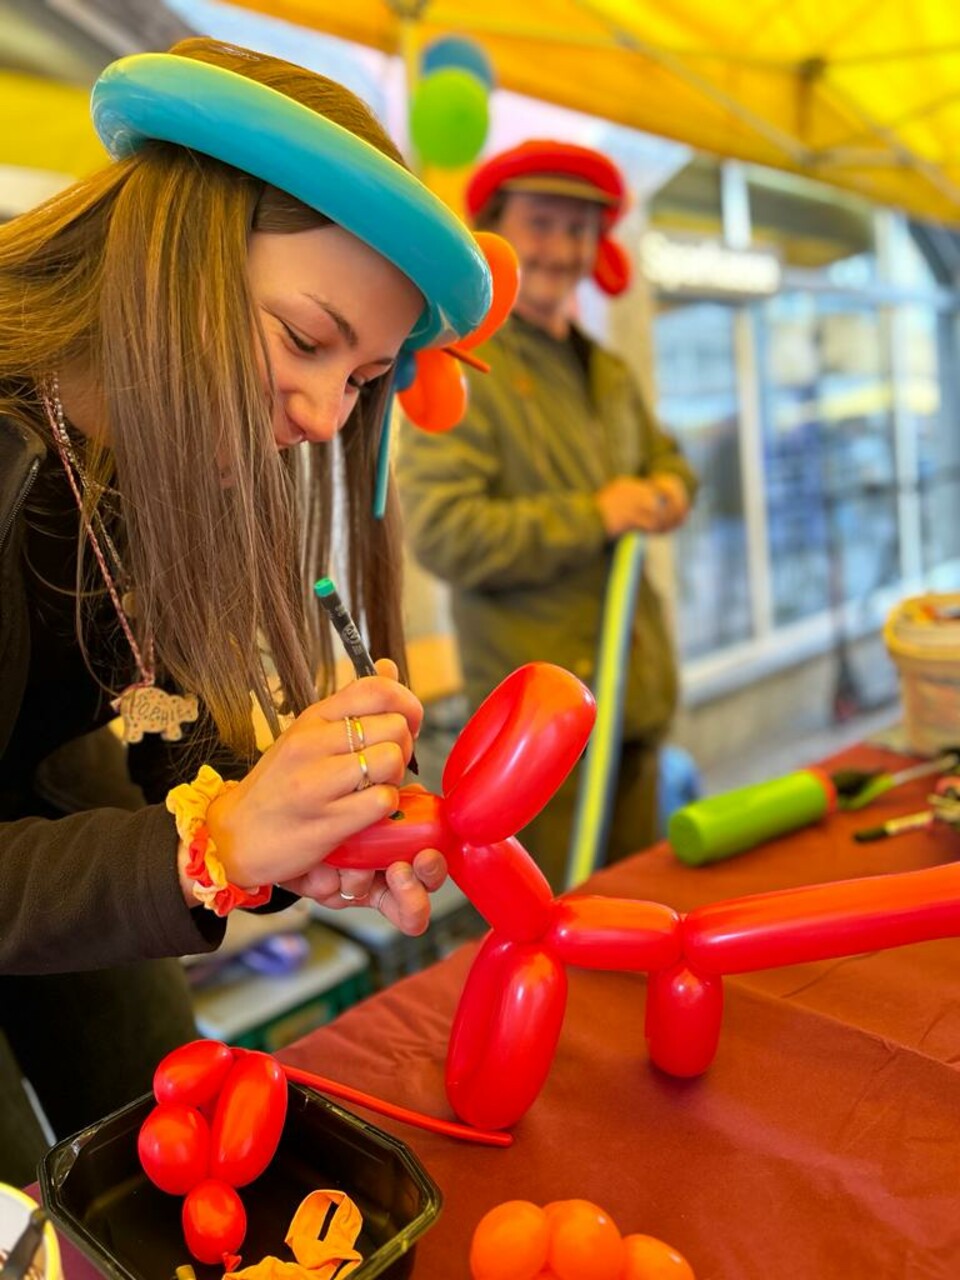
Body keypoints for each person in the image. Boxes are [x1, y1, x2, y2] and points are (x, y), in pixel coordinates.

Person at [0, 37, 494, 1179]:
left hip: (49, 813)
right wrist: (205, 846)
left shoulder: (152, 453)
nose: (326, 414)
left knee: (161, 1159)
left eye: (364, 378)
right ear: (171, 253)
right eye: (306, 339)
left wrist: (286, 820)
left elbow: (148, 701)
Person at [396, 140, 698, 892]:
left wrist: (666, 490)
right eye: (541, 223)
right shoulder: (467, 371)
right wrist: (596, 514)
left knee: (637, 911)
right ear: (496, 231)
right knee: (562, 933)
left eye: (579, 229)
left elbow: (672, 461)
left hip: (634, 698)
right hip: (541, 731)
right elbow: (444, 530)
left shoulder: (610, 373)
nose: (562, 248)